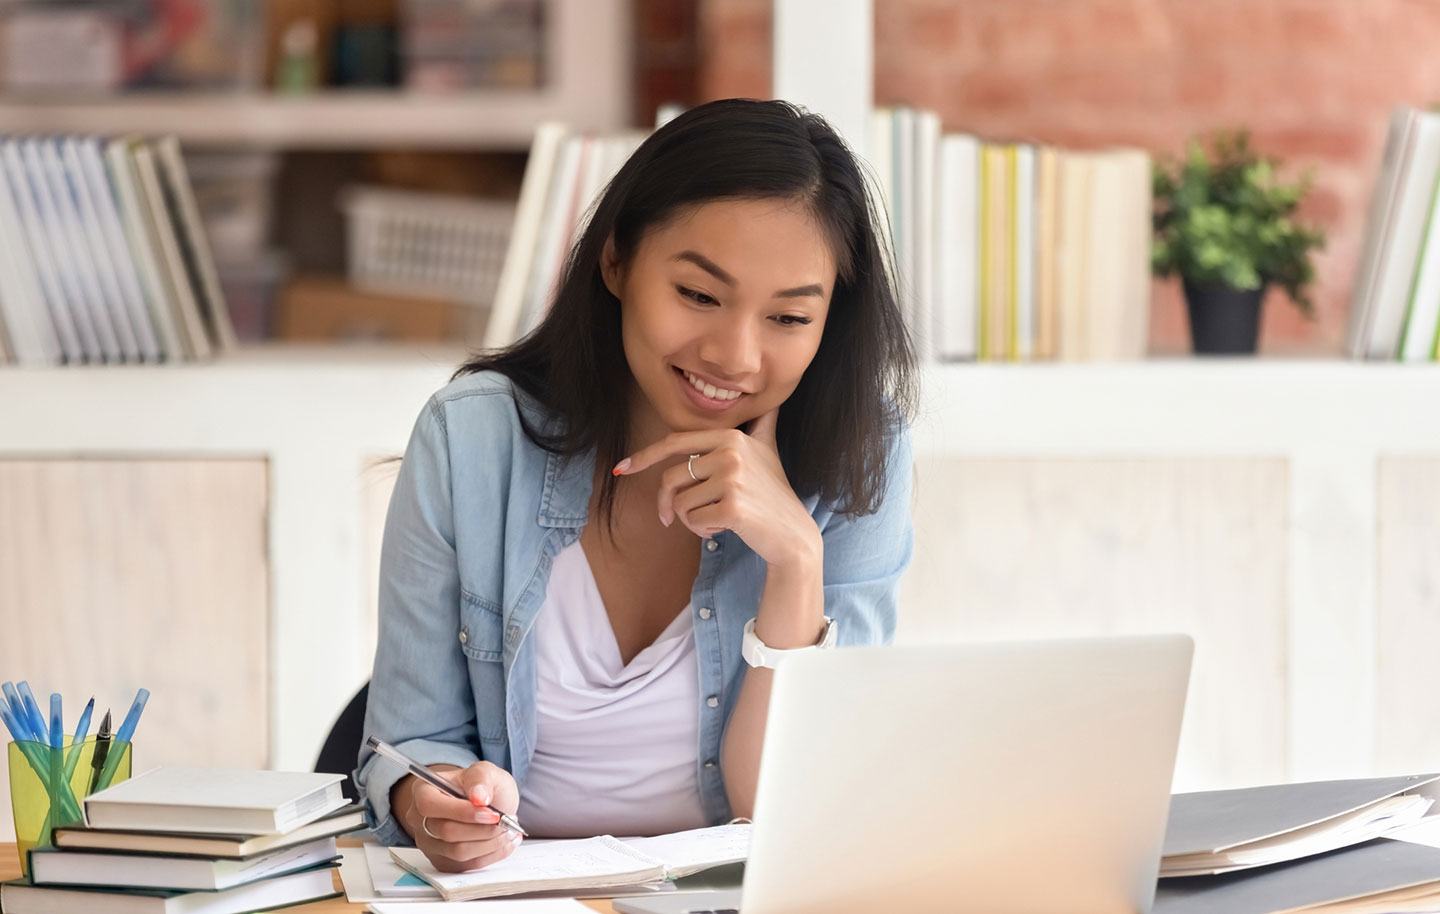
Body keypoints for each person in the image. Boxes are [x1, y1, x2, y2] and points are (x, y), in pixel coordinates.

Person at [355, 98, 918, 874]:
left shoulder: (863, 455)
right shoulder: (472, 440)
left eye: (788, 318)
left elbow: (789, 812)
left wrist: (797, 562)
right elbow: (408, 741)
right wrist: (440, 803)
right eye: (698, 295)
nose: (735, 356)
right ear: (615, 261)